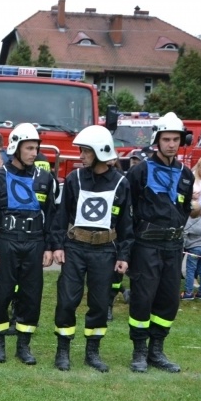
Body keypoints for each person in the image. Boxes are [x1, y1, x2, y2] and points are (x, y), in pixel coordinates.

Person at [51, 126, 133, 372]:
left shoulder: (121, 183)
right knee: (67, 300)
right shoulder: (75, 179)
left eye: (85, 151)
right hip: (75, 247)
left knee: (99, 303)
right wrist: (58, 246)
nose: (81, 156)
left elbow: (127, 223)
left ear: (99, 152)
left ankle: (92, 352)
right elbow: (61, 214)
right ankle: (62, 350)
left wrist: (123, 255)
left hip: (105, 250)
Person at [0, 123, 57, 365]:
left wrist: (49, 246)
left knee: (31, 296)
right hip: (6, 241)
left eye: (36, 148)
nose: (33, 152)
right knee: (2, 293)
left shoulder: (45, 178)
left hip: (34, 243)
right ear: (16, 147)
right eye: (29, 148)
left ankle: (24, 345)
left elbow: (52, 216)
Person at [126, 112, 194, 373]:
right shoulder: (139, 171)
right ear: (157, 140)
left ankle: (157, 351)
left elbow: (185, 208)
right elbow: (128, 207)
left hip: (173, 247)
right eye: (166, 139)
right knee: (142, 298)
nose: (171, 144)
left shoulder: (186, 174)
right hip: (146, 246)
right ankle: (139, 352)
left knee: (168, 300)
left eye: (176, 139)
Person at [181, 200, 201, 301]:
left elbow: (184, 236)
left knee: (190, 270)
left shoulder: (187, 222)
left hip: (193, 250)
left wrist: (182, 247)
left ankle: (188, 293)